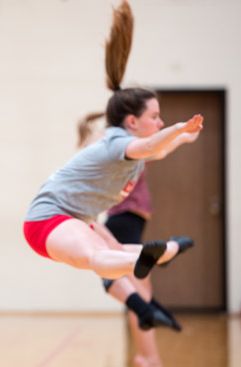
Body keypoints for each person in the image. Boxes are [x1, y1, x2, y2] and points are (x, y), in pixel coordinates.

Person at [23, 0, 203, 332]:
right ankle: (151, 257)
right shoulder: (117, 141)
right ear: (132, 121)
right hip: (48, 220)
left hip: (76, 219)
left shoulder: (129, 148)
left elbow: (156, 152)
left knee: (113, 251)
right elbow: (152, 146)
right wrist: (179, 128)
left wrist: (182, 140)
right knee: (99, 257)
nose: (160, 121)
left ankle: (164, 253)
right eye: (155, 117)